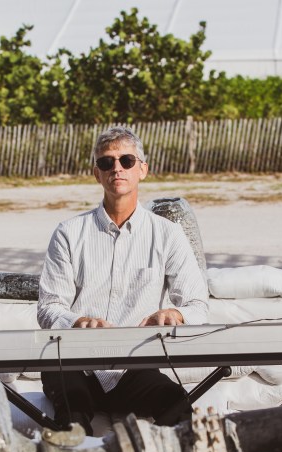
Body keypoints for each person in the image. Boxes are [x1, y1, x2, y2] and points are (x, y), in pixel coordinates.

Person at [36, 126, 209, 435]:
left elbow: (197, 303)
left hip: (134, 365)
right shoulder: (68, 233)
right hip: (74, 362)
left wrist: (176, 314)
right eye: (107, 162)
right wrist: (77, 322)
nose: (116, 168)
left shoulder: (167, 234)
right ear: (97, 173)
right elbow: (48, 307)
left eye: (126, 160)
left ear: (142, 169)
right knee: (72, 419)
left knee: (178, 406)